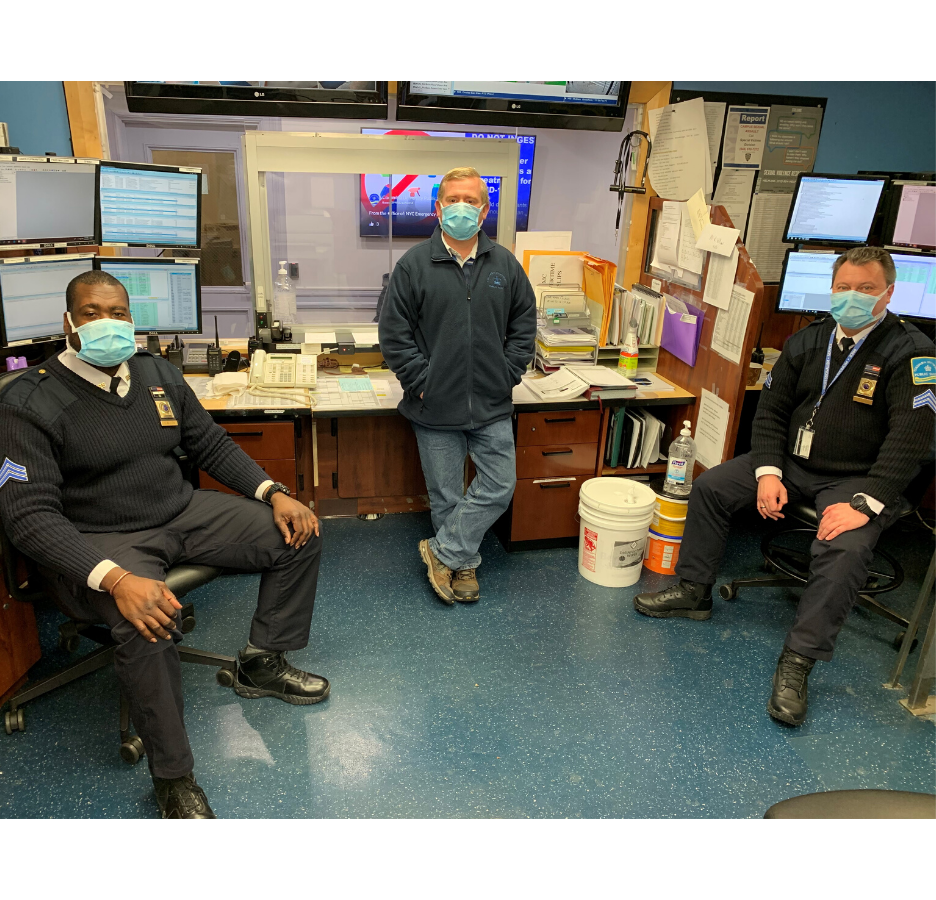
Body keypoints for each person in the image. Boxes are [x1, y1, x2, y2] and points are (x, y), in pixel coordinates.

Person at [0, 271, 328, 819]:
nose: (108, 323)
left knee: (299, 533)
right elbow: (27, 518)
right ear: (68, 323)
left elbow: (208, 443)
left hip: (178, 512)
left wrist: (273, 492)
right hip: (101, 539)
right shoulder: (29, 402)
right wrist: (118, 579)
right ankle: (173, 778)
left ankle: (263, 661)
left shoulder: (155, 373)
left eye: (119, 313)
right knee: (147, 617)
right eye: (91, 313)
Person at [634, 247, 936, 726]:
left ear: (889, 293)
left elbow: (912, 439)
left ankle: (798, 661)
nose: (851, 298)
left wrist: (866, 503)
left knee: (846, 546)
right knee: (711, 486)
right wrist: (768, 472)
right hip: (794, 460)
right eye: (843, 287)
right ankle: (694, 591)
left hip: (858, 478)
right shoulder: (809, 340)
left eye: (866, 289)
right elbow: (772, 411)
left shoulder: (911, 352)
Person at [379, 167, 536, 603]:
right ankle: (463, 565)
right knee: (446, 495)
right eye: (453, 200)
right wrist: (421, 381)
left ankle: (442, 551)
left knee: (500, 485)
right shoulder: (413, 265)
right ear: (438, 207)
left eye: (471, 200)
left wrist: (508, 373)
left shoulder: (504, 264)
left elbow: (524, 325)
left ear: (485, 210)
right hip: (434, 406)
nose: (461, 208)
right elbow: (394, 335)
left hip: (491, 402)